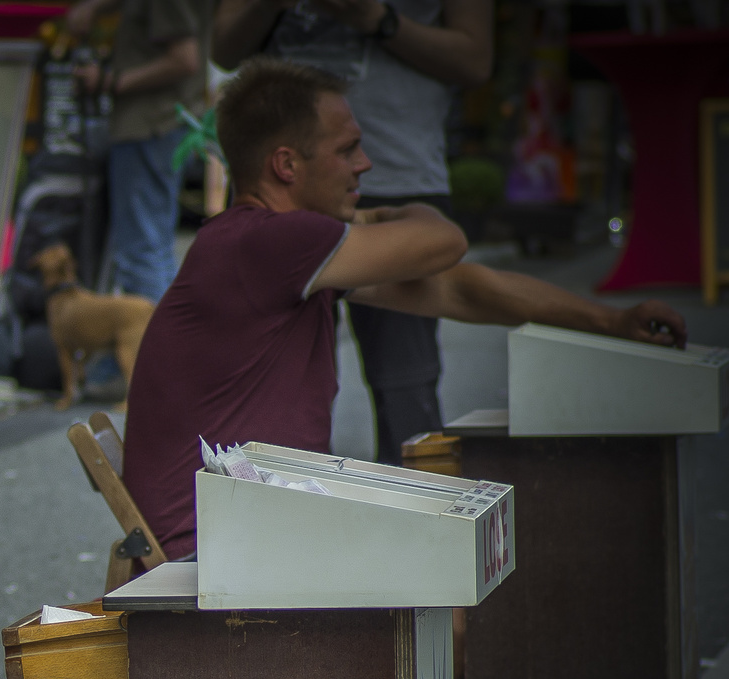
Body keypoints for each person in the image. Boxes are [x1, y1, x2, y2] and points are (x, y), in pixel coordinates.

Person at [122, 58, 685, 560]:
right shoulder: (270, 243)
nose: (365, 165)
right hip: (212, 552)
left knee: (477, 564)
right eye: (347, 150)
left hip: (253, 530)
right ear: (286, 165)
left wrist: (610, 322)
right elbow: (446, 241)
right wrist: (404, 212)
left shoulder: (288, 252)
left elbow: (458, 289)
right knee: (475, 601)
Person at [214, 0, 494, 463]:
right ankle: (269, 507)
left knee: (406, 389)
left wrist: (377, 19)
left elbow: (475, 60)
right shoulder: (259, 226)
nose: (357, 162)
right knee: (265, 385)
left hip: (399, 172)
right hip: (289, 184)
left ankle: (413, 517)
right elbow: (222, 47)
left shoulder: (363, 171)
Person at [66, 0, 204, 302]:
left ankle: (154, 347)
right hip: (157, 124)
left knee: (141, 256)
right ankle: (165, 343)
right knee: (153, 250)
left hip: (151, 123)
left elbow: (185, 59)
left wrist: (109, 81)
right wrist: (96, 8)